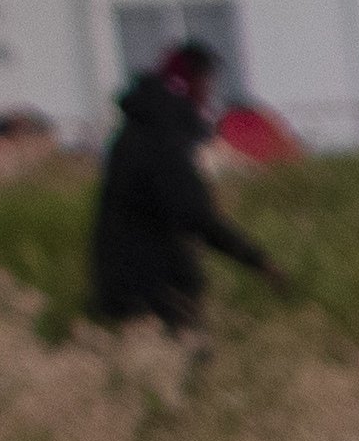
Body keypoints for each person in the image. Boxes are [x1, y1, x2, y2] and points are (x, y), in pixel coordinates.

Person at [85, 41, 280, 331]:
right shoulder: (162, 141)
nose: (209, 96)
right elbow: (193, 214)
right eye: (207, 85)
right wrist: (258, 262)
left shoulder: (133, 132)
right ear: (195, 83)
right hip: (153, 295)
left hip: (118, 285)